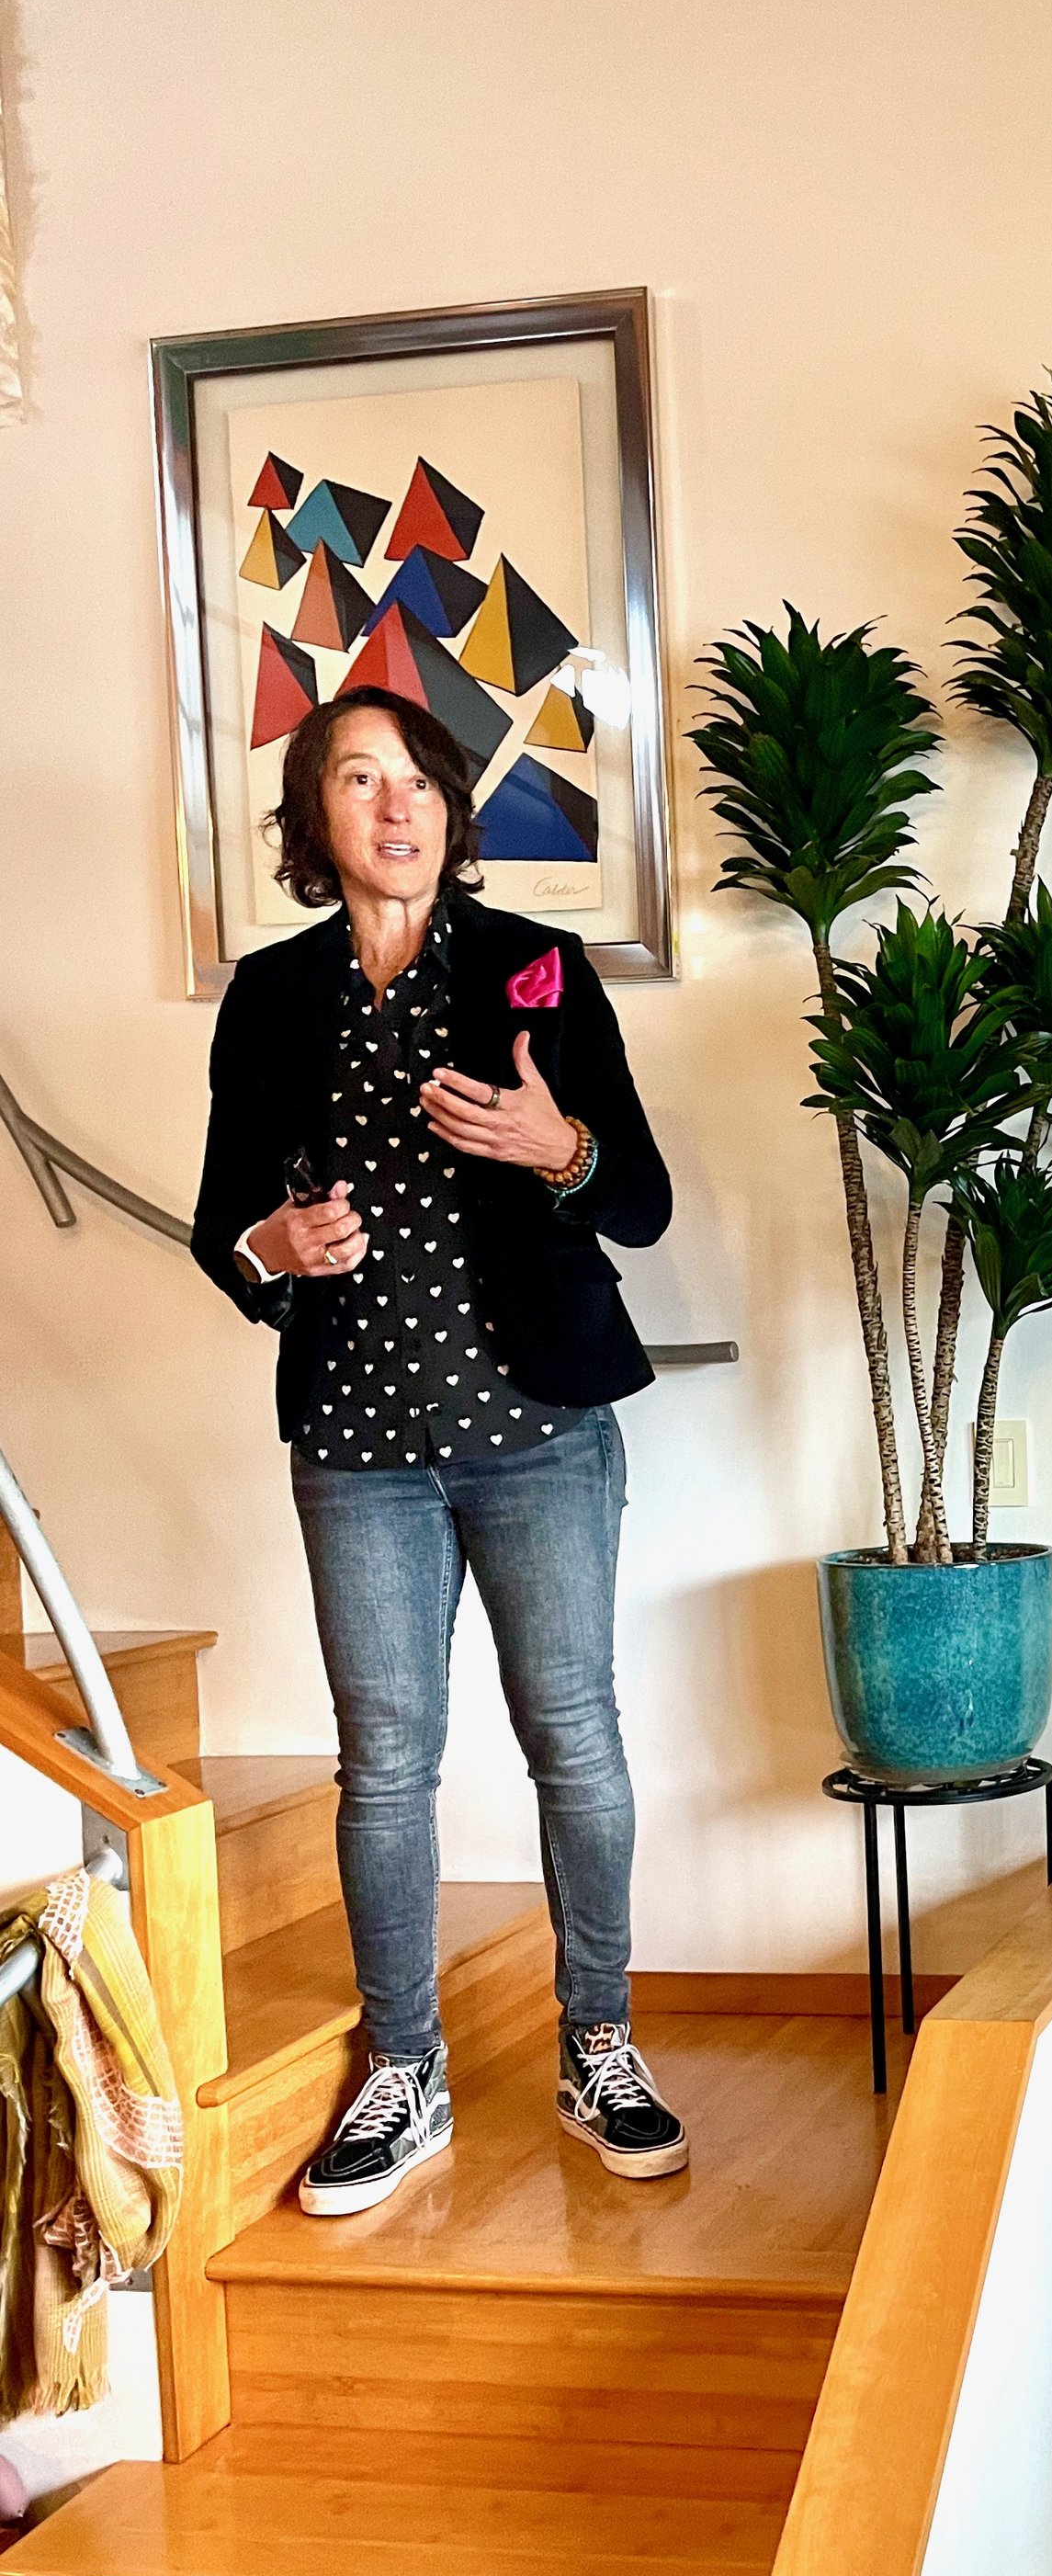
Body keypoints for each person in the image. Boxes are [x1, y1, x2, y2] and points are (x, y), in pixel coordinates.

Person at [192, 686, 687, 2215]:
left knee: (574, 1733)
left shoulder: (533, 966)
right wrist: (272, 1242)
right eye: (356, 778)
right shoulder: (272, 997)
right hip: (357, 1444)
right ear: (314, 816)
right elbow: (227, 1228)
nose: (392, 805)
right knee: (386, 1760)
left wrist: (567, 1151)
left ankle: (597, 2038)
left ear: (455, 813)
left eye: (416, 779)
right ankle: (402, 2070)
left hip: (537, 1432)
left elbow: (642, 1194)